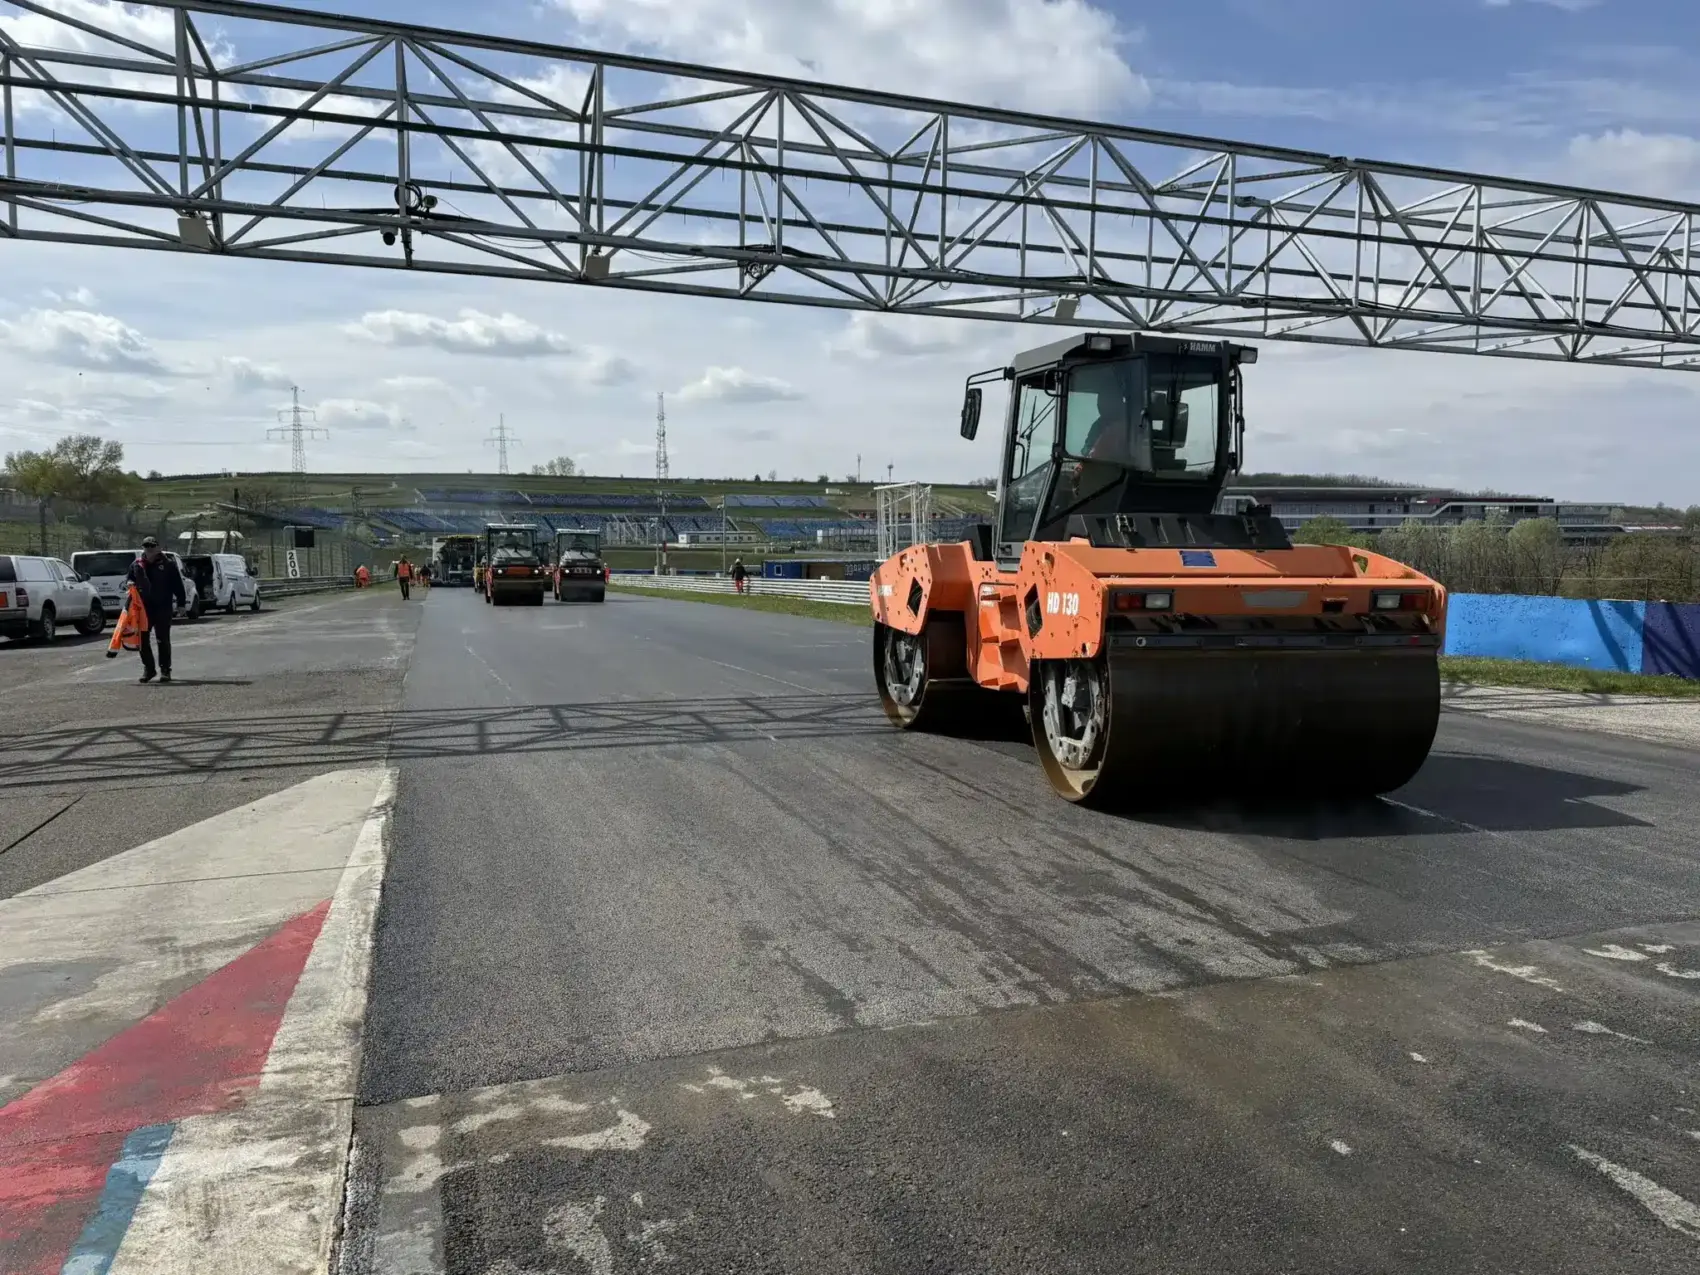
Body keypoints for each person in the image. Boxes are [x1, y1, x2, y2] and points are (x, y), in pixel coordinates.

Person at [125, 536, 187, 684]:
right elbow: (129, 579)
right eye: (146, 546)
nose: (149, 549)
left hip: (163, 607)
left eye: (152, 546)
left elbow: (177, 585)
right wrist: (129, 583)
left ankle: (165, 670)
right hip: (143, 608)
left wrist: (181, 603)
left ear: (158, 548)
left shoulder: (168, 565)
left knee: (162, 639)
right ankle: (149, 669)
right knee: (142, 640)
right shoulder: (137, 564)